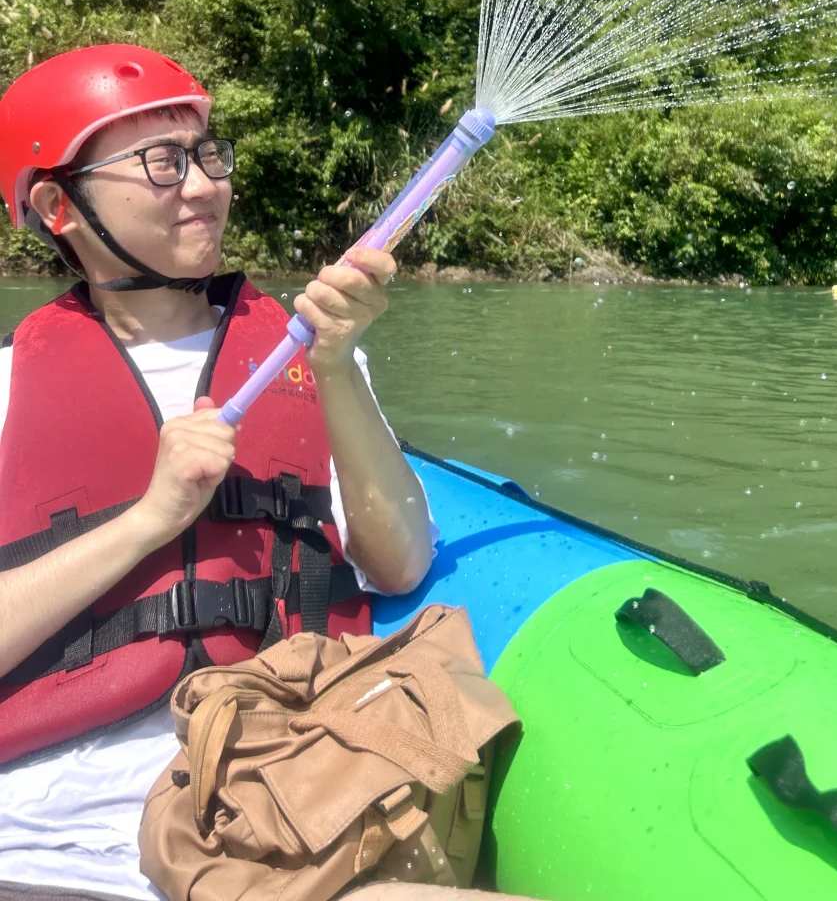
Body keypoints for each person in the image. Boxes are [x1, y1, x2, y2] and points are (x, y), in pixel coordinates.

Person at [0, 45, 536, 901]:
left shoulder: (309, 356)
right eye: (163, 162)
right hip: (38, 836)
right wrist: (148, 519)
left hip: (279, 801)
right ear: (58, 205)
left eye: (209, 154)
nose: (205, 184)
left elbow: (396, 562)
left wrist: (334, 365)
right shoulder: (8, 387)